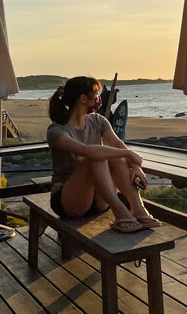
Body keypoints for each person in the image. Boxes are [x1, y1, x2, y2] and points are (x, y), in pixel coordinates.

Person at [46, 76, 160, 232]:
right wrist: (129, 154)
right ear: (83, 98)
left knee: (113, 155)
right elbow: (87, 151)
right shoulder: (57, 131)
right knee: (96, 157)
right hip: (69, 200)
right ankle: (120, 211)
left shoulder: (98, 120)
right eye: (96, 93)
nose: (99, 98)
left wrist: (135, 166)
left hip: (101, 200)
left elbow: (119, 145)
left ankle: (137, 208)